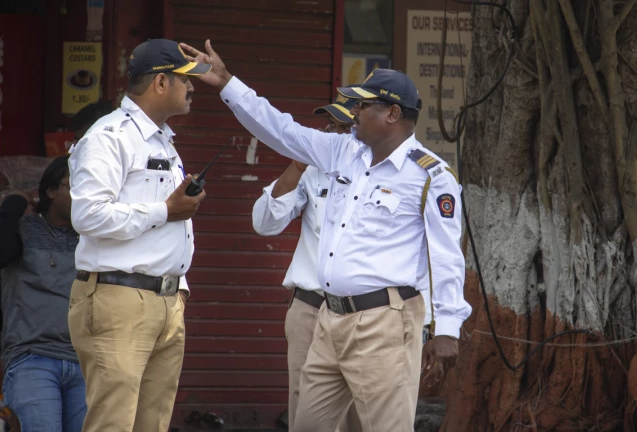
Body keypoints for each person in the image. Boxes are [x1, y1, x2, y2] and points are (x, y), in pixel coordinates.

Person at [182, 40, 472, 431]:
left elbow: (447, 256)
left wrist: (447, 328)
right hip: (328, 317)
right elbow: (280, 128)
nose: (353, 112)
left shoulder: (430, 177)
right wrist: (227, 83)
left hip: (384, 323)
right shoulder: (342, 152)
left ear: (393, 113)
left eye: (363, 105)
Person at [67, 39, 210, 432]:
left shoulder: (162, 139)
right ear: (161, 83)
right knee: (113, 424)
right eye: (185, 80)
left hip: (164, 299)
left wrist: (178, 289)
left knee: (153, 424)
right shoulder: (109, 136)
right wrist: (166, 210)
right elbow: (89, 215)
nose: (192, 87)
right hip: (119, 299)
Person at [252, 94, 362, 431]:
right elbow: (265, 223)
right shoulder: (312, 169)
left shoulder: (383, 176)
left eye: (341, 126)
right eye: (329, 123)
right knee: (306, 413)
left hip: (362, 314)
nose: (329, 131)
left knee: (362, 414)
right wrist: (297, 165)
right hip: (310, 310)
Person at [0, 156, 86, 432]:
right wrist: (14, 203)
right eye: (75, 186)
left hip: (85, 360)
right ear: (51, 191)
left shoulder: (93, 237)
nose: (85, 194)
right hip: (32, 358)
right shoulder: (24, 229)